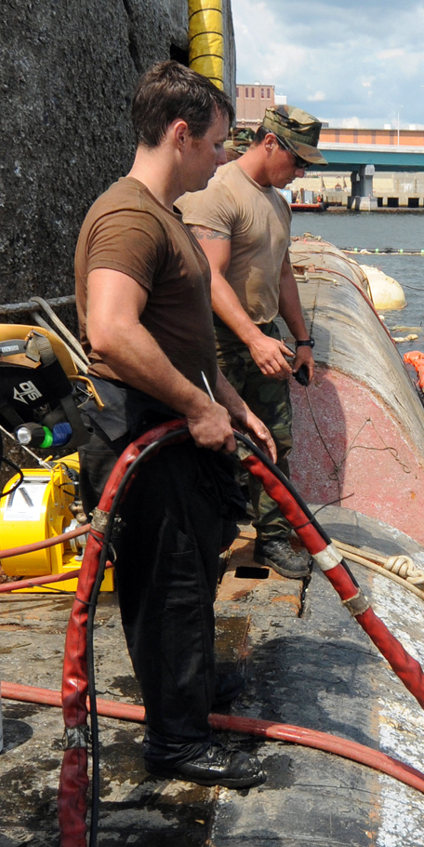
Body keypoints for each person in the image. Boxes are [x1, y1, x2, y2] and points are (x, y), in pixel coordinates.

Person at [76, 61, 279, 790]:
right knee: (165, 588)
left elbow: (184, 340)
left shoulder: (169, 218)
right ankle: (176, 742)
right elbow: (111, 331)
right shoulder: (130, 217)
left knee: (194, 573)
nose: (224, 157)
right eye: (218, 143)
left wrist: (234, 403)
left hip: (183, 430)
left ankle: (189, 691)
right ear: (182, 133)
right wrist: (197, 409)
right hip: (147, 438)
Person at [177, 105, 322, 580]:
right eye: (297, 161)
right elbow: (211, 279)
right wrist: (253, 339)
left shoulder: (277, 203)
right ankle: (205, 541)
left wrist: (301, 340)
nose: (299, 173)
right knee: (211, 443)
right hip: (217, 340)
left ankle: (273, 539)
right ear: (270, 143)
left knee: (273, 439)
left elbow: (281, 272)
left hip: (262, 334)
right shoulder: (217, 192)